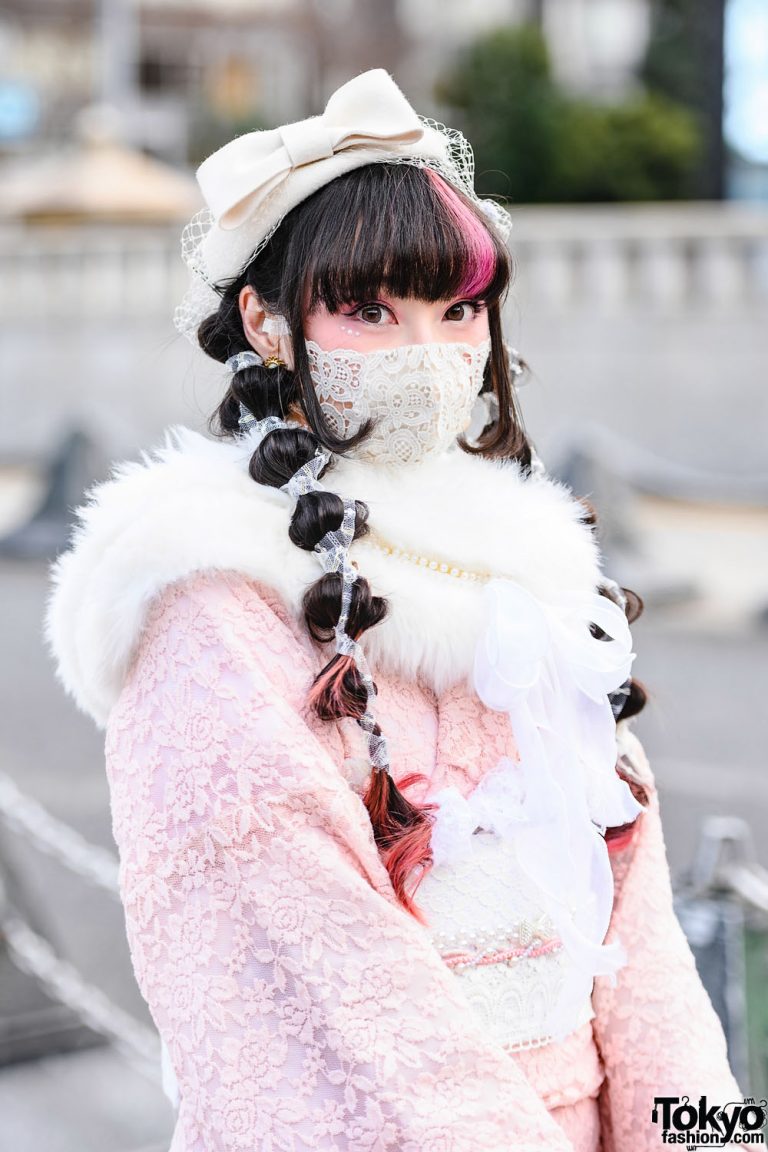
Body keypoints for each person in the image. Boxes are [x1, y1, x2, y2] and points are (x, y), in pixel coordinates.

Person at [45, 69, 741, 1151]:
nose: (430, 351)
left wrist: (711, 1139)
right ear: (267, 326)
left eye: (459, 310)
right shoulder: (208, 598)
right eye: (370, 310)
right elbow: (322, 984)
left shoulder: (533, 571)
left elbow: (642, 947)